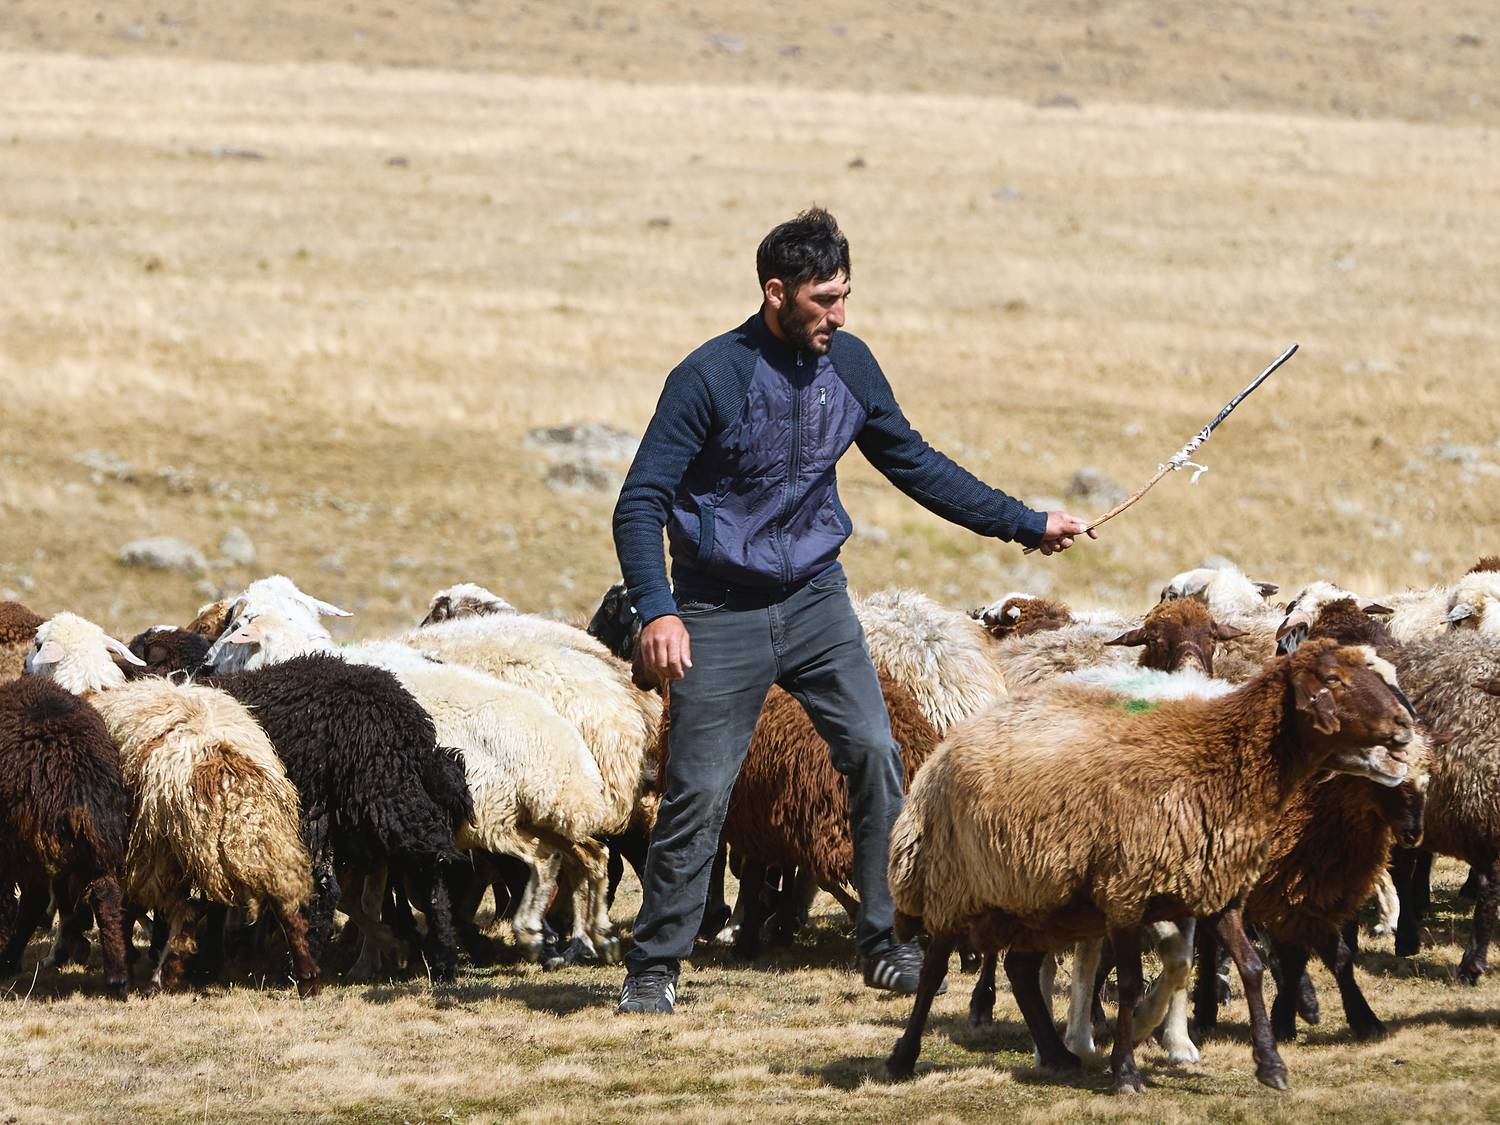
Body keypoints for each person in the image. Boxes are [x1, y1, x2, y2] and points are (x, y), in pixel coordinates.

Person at [611, 207, 1094, 1014]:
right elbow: (639, 502)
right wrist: (657, 611)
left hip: (816, 600)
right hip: (719, 611)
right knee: (699, 788)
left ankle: (886, 940)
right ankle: (654, 964)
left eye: (845, 295)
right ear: (776, 292)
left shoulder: (851, 367)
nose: (839, 315)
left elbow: (916, 464)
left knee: (874, 753)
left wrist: (1025, 522)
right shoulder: (708, 377)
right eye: (824, 299)